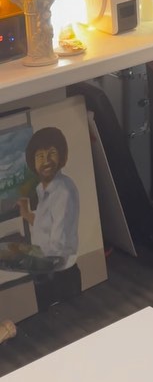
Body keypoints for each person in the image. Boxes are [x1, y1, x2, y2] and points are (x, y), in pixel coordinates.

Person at [18, 126, 81, 310]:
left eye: (51, 153)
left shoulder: (62, 192)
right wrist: (26, 214)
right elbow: (46, 225)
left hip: (60, 276)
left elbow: (57, 243)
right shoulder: (45, 189)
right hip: (50, 272)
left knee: (65, 322)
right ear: (33, 162)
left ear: (62, 156)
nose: (46, 161)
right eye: (40, 156)